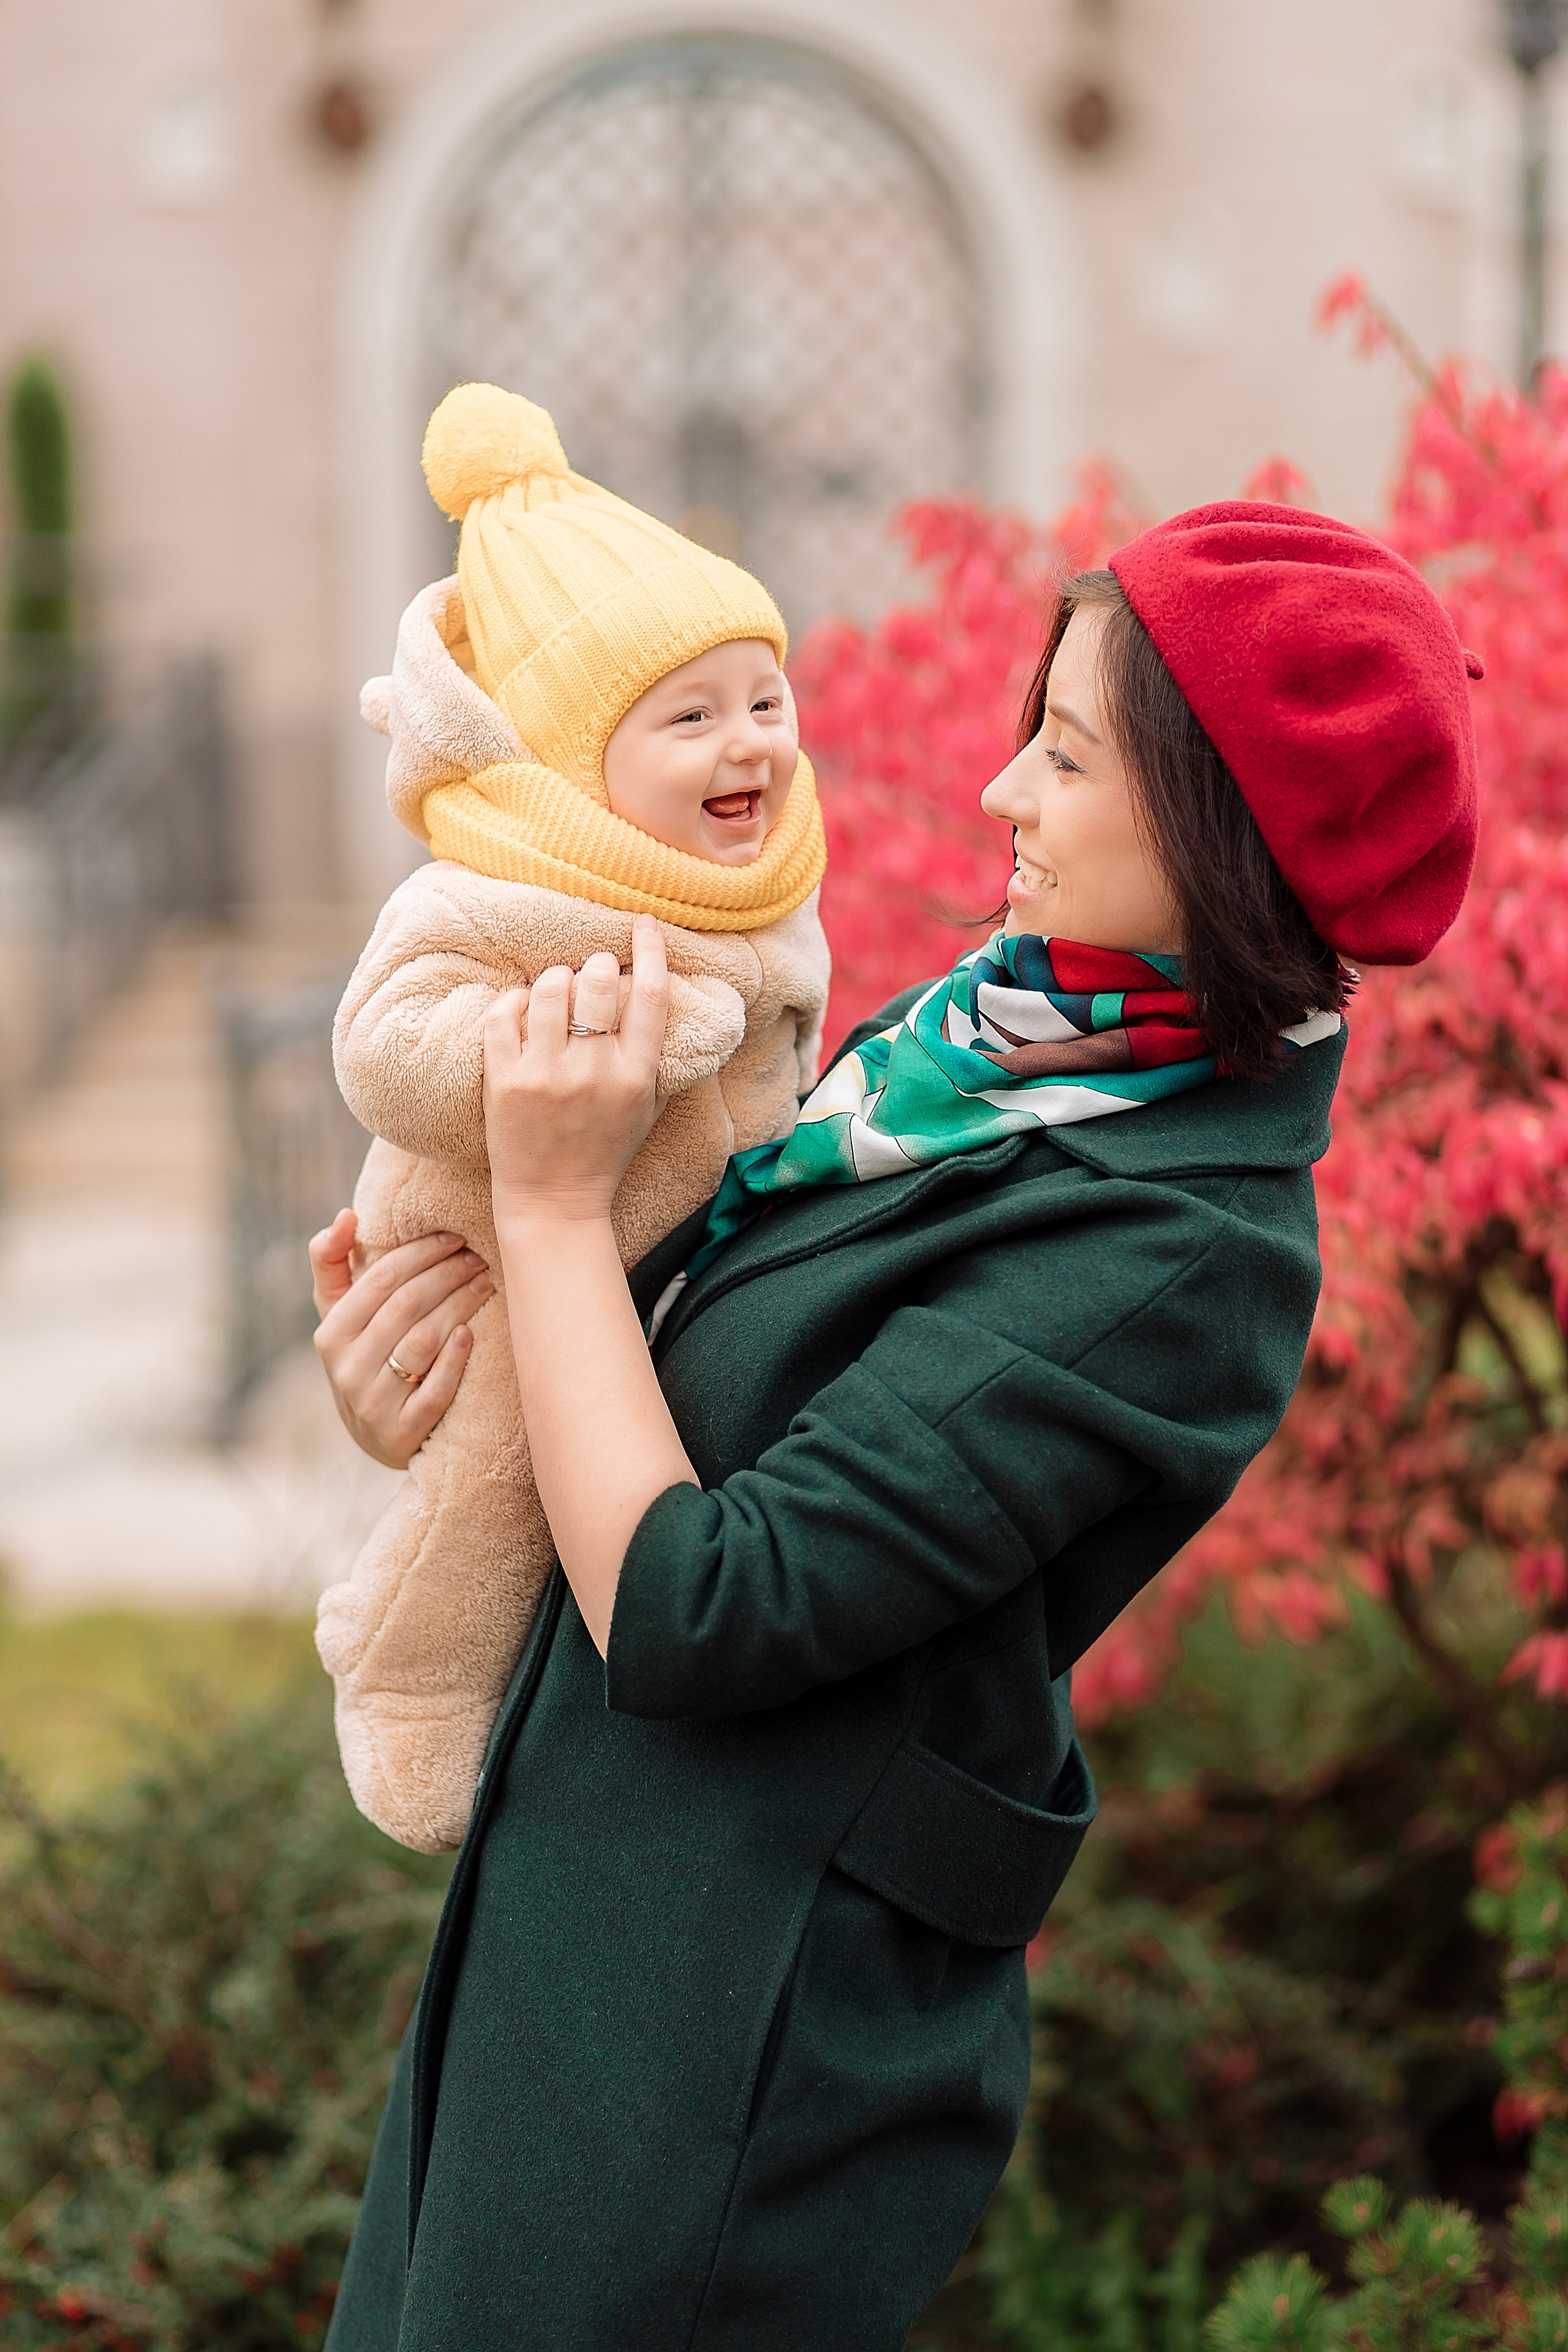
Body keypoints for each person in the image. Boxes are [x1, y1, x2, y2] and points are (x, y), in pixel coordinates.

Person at [313, 503, 1480, 2352]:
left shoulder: (1175, 1249)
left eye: (1072, 753)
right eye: (1030, 721)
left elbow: (705, 1596)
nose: (1004, 788)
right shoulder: (988, 1058)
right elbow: (676, 1349)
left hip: (730, 2050)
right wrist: (434, 1366)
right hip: (594, 1929)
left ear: (1220, 830)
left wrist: (548, 1214)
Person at [317, 382, 829, 1855]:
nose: (749, 747)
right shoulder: (497, 895)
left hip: (663, 1273)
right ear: (568, 760)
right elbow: (383, 1042)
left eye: (765, 699)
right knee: (492, 1486)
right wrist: (571, 1050)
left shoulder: (758, 894)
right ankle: (404, 1678)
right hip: (489, 1256)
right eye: (688, 719)